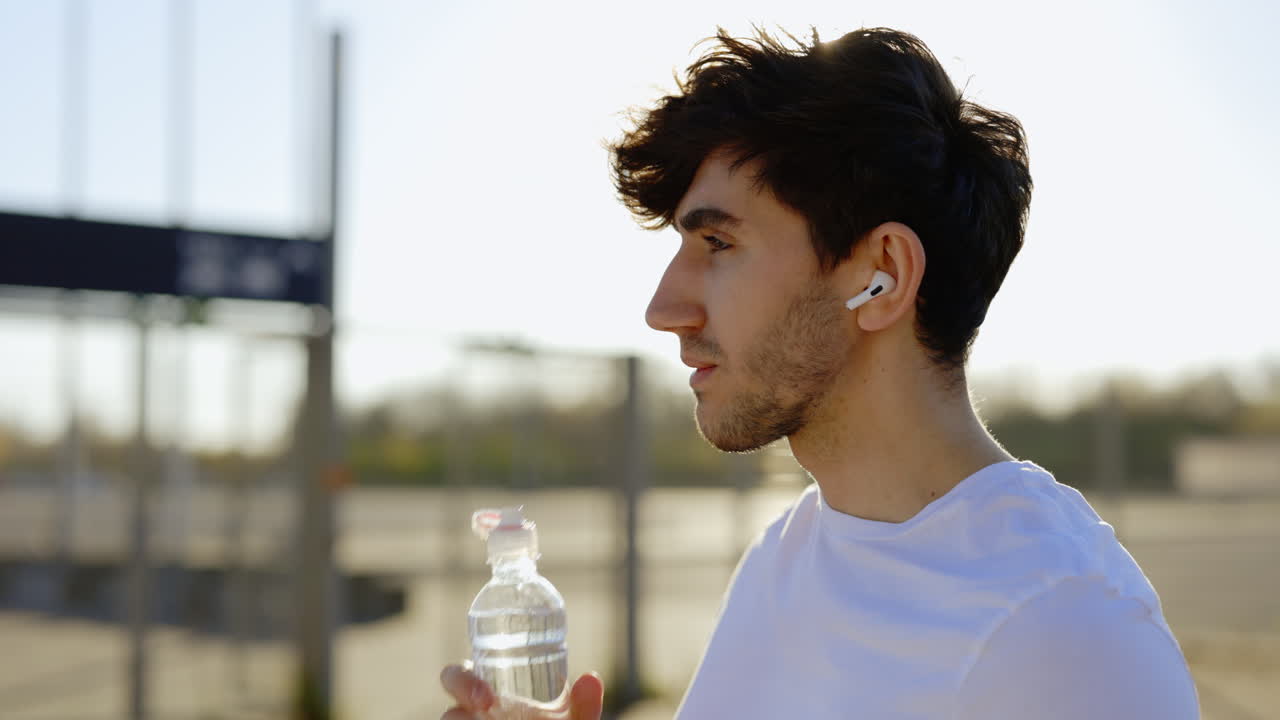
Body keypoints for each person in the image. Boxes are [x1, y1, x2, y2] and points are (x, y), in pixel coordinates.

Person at [441, 26, 1200, 720]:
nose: (663, 309)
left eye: (718, 245)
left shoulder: (1065, 632)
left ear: (881, 275)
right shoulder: (785, 555)